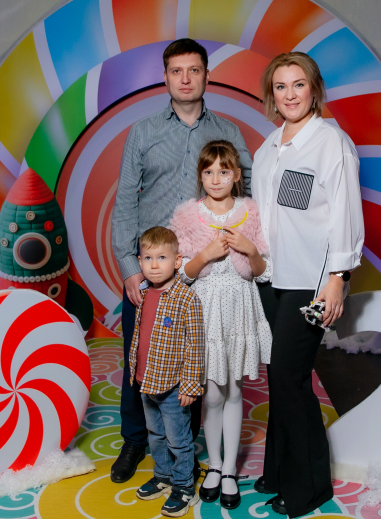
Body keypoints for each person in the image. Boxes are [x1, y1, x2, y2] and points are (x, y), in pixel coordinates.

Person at [110, 38, 253, 483]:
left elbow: (249, 194)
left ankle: (186, 448)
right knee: (141, 356)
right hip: (153, 267)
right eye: (177, 71)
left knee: (195, 357)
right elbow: (124, 201)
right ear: (166, 77)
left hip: (207, 268)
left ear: (207, 75)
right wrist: (129, 267)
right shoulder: (143, 132)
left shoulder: (228, 132)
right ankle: (135, 438)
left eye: (194, 70)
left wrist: (242, 250)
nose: (185, 79)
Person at [251, 52, 365, 517]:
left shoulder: (331, 143)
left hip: (312, 282)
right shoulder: (267, 148)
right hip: (270, 277)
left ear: (314, 89)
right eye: (281, 86)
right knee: (279, 376)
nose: (290, 94)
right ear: (271, 94)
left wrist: (338, 280)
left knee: (289, 376)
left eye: (298, 84)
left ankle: (311, 485)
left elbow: (345, 216)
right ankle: (279, 469)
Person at [169, 140, 272, 510]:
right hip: (205, 312)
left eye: (223, 171)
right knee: (211, 394)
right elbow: (180, 274)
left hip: (240, 309)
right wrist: (205, 255)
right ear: (200, 175)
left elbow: (262, 272)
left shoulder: (251, 212)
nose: (216, 179)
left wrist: (250, 250)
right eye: (209, 171)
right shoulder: (187, 216)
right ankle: (213, 463)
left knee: (234, 391)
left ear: (236, 175)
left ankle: (229, 470)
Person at [129, 226, 204, 517]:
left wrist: (190, 385)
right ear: (140, 262)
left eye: (162, 257)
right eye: (148, 258)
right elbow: (141, 336)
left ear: (177, 261)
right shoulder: (143, 294)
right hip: (147, 381)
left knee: (178, 439)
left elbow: (195, 345)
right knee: (155, 435)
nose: (155, 265)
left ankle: (184, 486)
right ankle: (163, 475)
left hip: (173, 386)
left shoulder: (186, 299)